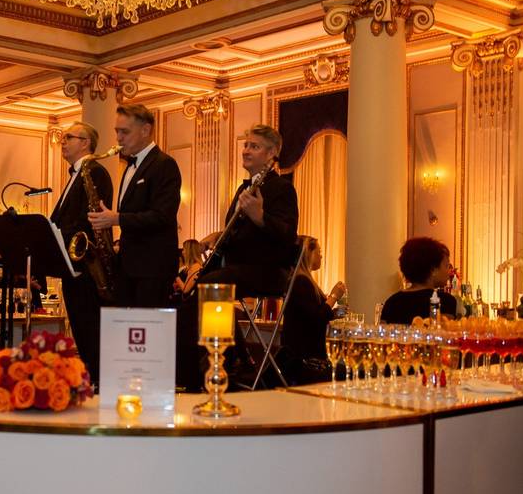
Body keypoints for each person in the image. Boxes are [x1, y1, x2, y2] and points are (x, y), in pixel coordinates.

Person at [88, 104, 181, 307]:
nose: (119, 138)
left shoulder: (164, 164)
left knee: (148, 333)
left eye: (125, 132)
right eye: (117, 132)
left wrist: (117, 218)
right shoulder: (130, 166)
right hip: (129, 266)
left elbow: (162, 216)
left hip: (153, 267)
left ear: (145, 130)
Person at [199, 124, 299, 296]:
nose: (245, 151)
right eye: (246, 145)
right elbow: (242, 231)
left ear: (271, 154)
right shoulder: (242, 188)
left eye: (254, 147)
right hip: (236, 267)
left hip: (266, 271)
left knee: (210, 285)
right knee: (193, 284)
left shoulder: (282, 188)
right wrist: (219, 235)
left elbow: (288, 235)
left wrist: (260, 217)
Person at [49, 121, 113, 384]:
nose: (63, 142)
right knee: (82, 333)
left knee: (90, 333)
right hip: (72, 266)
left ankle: (98, 386)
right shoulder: (74, 175)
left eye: (69, 137)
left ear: (86, 143)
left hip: (87, 267)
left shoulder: (95, 172)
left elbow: (89, 220)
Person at [278, 236, 347, 385]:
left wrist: (334, 314)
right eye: (319, 251)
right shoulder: (301, 281)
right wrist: (334, 296)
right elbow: (317, 318)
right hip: (307, 361)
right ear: (307, 254)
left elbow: (310, 315)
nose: (321, 256)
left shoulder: (304, 280)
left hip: (310, 356)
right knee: (352, 372)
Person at [380, 237, 457, 325]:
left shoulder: (391, 302)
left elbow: (383, 334)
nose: (449, 271)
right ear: (433, 270)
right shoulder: (445, 301)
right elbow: (444, 334)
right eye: (447, 265)